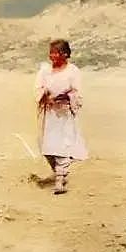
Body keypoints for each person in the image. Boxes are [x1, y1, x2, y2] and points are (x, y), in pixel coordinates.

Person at [35, 39, 87, 195]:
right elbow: (38, 88)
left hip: (64, 113)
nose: (52, 56)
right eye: (51, 52)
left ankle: (60, 179)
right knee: (47, 147)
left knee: (62, 145)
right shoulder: (45, 71)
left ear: (65, 54)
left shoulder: (73, 71)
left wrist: (67, 97)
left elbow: (77, 92)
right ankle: (58, 172)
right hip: (49, 112)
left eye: (56, 52)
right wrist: (45, 95)